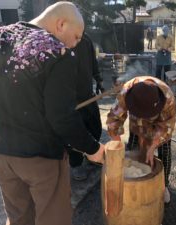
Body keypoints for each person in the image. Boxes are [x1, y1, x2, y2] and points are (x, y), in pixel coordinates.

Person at [0, 2, 105, 225]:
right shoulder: (57, 51)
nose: (76, 43)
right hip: (41, 158)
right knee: (53, 219)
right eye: (77, 36)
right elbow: (61, 117)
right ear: (61, 24)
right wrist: (92, 148)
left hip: (0, 153)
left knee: (18, 218)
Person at [106, 76, 176, 203]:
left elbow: (167, 126)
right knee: (132, 150)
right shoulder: (126, 92)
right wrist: (118, 145)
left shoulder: (167, 97)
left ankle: (164, 185)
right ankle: (131, 185)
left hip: (159, 126)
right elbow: (114, 120)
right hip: (137, 126)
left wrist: (153, 145)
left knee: (165, 154)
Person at [69, 33, 104, 181]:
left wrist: (99, 79)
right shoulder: (59, 41)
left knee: (95, 128)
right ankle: (76, 164)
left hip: (87, 94)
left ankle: (91, 155)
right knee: (76, 132)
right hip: (70, 98)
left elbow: (93, 61)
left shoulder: (86, 39)